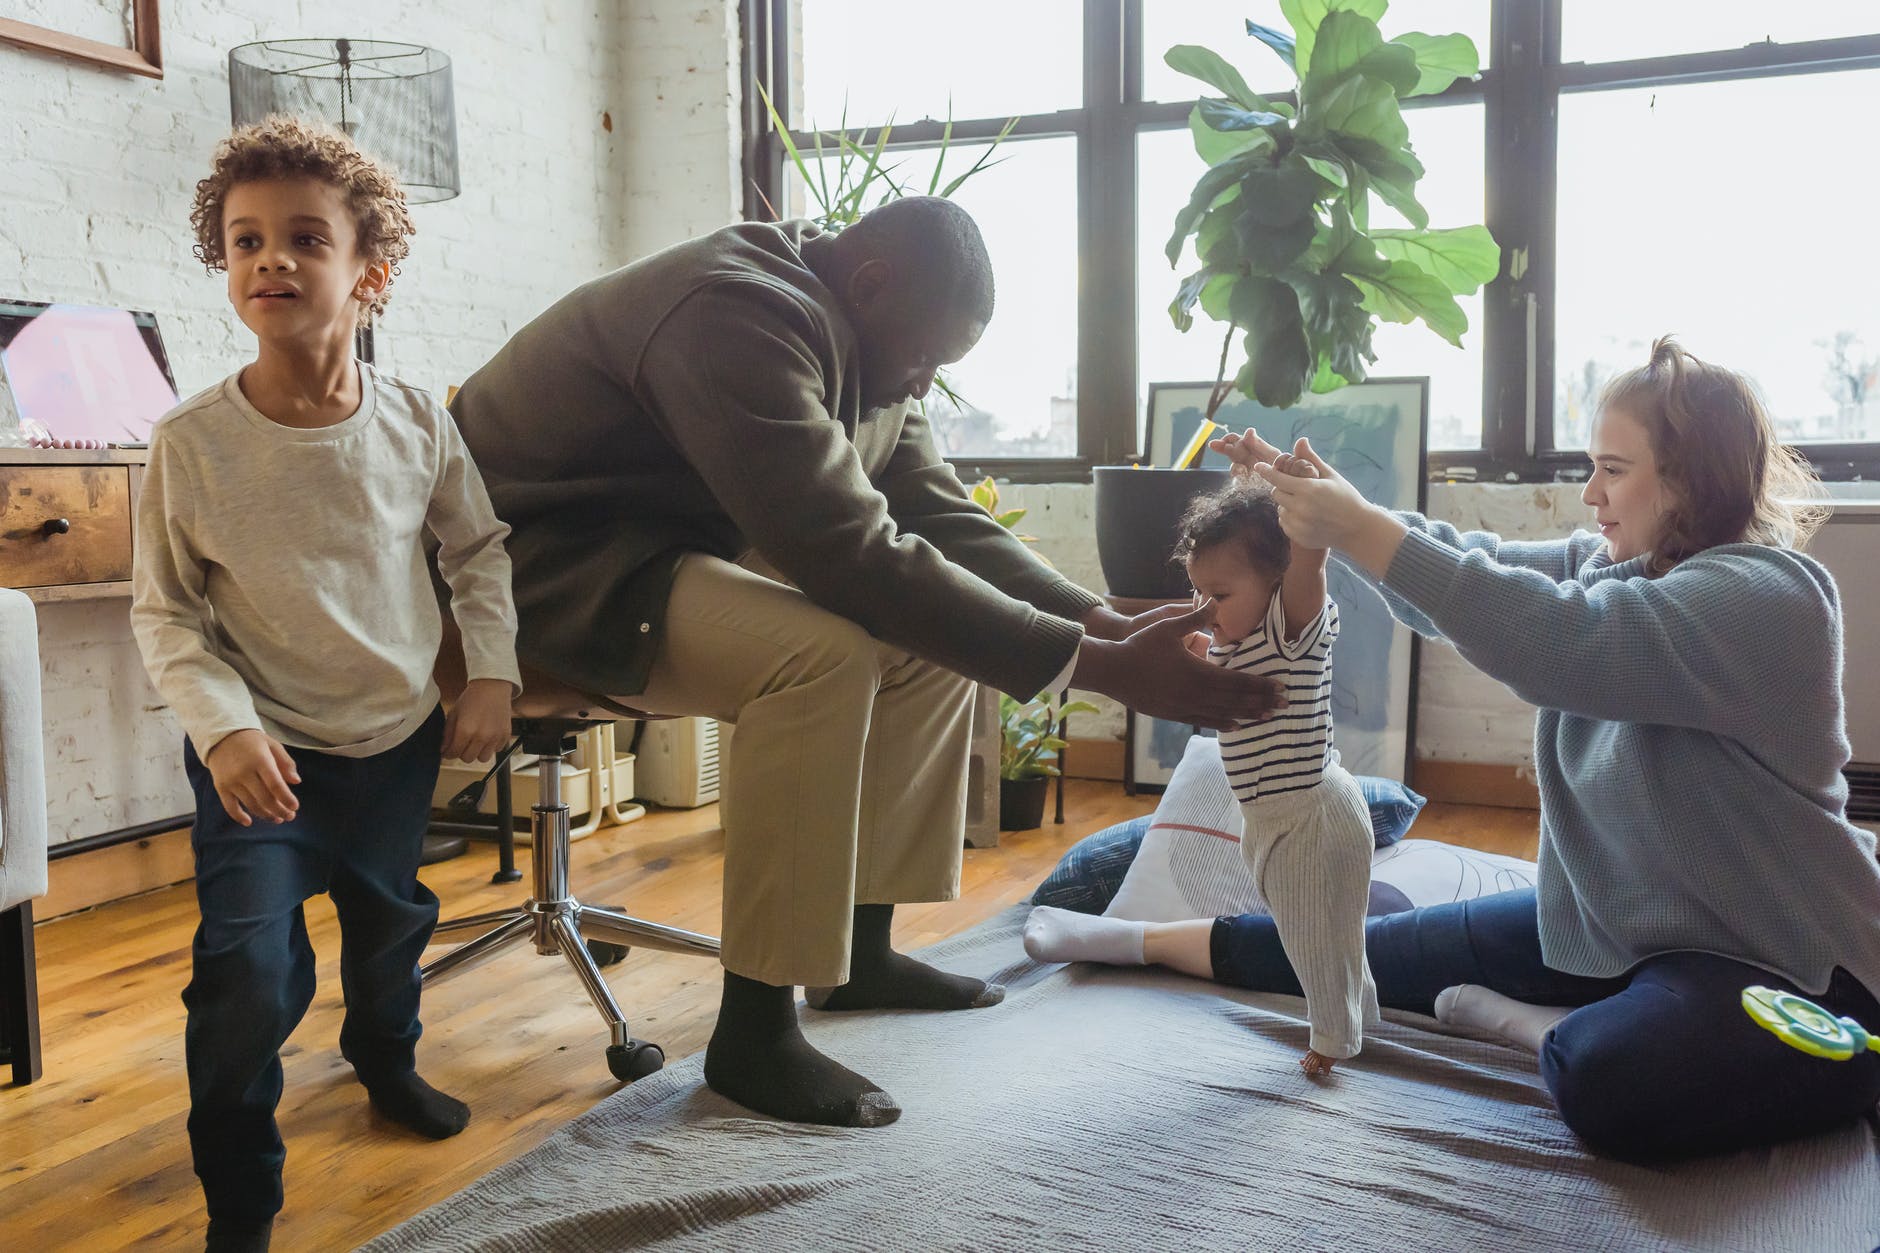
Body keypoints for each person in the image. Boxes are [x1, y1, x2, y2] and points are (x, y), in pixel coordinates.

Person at [449, 195, 1284, 1130]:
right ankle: (753, 1032)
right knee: (820, 654)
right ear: (871, 283)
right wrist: (1100, 667)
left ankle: (859, 954)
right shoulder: (735, 313)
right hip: (533, 573)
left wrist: (1101, 622)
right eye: (926, 357)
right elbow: (843, 548)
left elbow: (937, 512)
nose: (924, 384)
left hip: (643, 552)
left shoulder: (866, 344)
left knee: (928, 644)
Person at [1020, 336, 1880, 1161]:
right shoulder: (1616, 564)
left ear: (1691, 482)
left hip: (1791, 964)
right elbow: (1472, 569)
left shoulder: (1768, 598)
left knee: (1611, 1074)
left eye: (1612, 471)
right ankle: (1143, 939)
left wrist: (1356, 529)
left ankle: (1526, 1023)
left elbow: (1553, 640)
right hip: (1618, 929)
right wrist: (1321, 505)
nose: (1590, 495)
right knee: (1347, 951)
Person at [132, 118, 520, 1253]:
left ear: (369, 273)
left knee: (388, 919)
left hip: (392, 738)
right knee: (248, 970)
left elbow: (476, 549)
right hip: (260, 757)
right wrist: (222, 731)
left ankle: (385, 1057)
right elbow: (166, 612)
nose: (272, 260)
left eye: (306, 237)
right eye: (246, 240)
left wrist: (488, 668)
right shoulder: (188, 442)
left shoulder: (414, 424)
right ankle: (241, 1200)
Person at [1026, 468, 1379, 1076]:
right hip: (1273, 817)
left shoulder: (1290, 628)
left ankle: (1331, 1041)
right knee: (1329, 931)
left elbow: (1309, 569)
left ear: (1276, 581)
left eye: (1218, 596)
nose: (1204, 611)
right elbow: (1191, 658)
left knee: (1314, 936)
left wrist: (1304, 521)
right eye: (1198, 595)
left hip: (1308, 815)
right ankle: (1359, 1013)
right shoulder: (1232, 637)